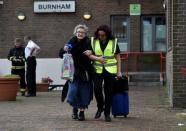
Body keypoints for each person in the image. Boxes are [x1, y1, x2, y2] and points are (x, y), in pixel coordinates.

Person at [84, 25, 122, 122]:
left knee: (108, 92)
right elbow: (89, 55)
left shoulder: (113, 42)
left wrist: (119, 71)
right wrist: (98, 59)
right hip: (97, 69)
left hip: (110, 70)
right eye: (99, 35)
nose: (101, 37)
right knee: (97, 88)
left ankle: (107, 113)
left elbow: (118, 57)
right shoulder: (93, 41)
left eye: (103, 35)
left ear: (107, 35)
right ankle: (100, 107)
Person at [64, 24, 93, 121]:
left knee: (84, 93)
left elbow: (93, 51)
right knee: (73, 91)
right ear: (75, 33)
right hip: (74, 71)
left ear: (85, 34)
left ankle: (81, 112)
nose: (80, 34)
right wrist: (65, 48)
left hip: (85, 72)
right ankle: (74, 109)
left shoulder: (89, 42)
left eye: (82, 32)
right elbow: (64, 51)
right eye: (78, 32)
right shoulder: (72, 41)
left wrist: (91, 52)